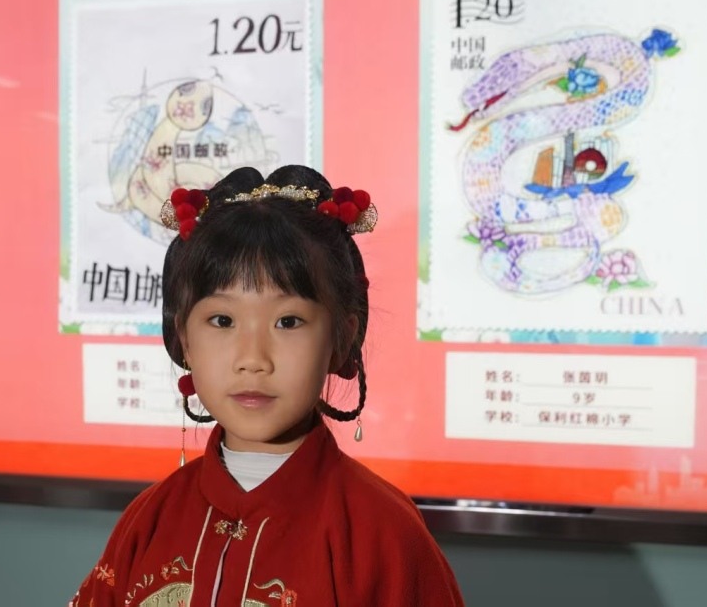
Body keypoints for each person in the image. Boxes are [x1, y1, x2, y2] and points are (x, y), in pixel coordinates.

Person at [70, 165, 464, 606]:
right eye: (222, 320)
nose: (253, 359)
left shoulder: (385, 535)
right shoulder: (148, 520)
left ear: (342, 339)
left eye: (288, 321)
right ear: (184, 340)